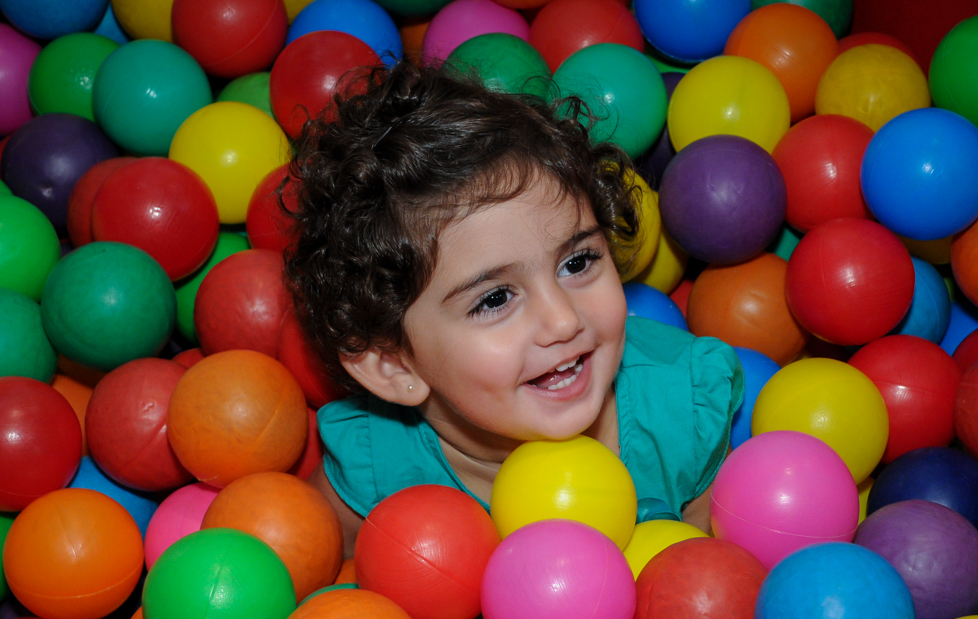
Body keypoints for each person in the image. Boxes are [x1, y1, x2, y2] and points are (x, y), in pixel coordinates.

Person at [285, 61, 743, 556]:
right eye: (495, 298)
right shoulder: (377, 468)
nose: (564, 319)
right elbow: (304, 579)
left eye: (578, 261)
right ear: (394, 364)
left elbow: (710, 588)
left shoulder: (678, 412)